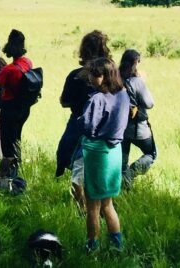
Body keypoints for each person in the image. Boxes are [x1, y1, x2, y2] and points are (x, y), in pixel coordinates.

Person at [78, 57, 130, 252]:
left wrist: (79, 120)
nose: (90, 78)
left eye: (94, 74)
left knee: (92, 205)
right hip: (115, 150)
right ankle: (118, 246)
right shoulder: (123, 94)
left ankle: (92, 247)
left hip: (97, 152)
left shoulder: (97, 99)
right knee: (108, 203)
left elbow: (88, 126)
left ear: (104, 76)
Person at [56, 30, 111, 207]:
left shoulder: (75, 75)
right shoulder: (113, 75)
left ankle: (83, 208)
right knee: (101, 172)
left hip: (79, 127)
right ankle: (102, 208)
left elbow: (64, 102)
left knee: (76, 168)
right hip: (108, 129)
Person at [0, 29, 32, 178]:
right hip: (24, 107)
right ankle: (16, 172)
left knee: (7, 146)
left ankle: (6, 178)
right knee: (16, 139)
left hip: (10, 109)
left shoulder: (8, 69)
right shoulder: (27, 62)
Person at [120, 49, 157, 183]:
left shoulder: (117, 78)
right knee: (151, 154)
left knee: (122, 159)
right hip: (138, 127)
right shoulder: (137, 81)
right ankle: (131, 173)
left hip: (120, 126)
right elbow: (149, 103)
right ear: (135, 63)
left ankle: (123, 183)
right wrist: (143, 82)